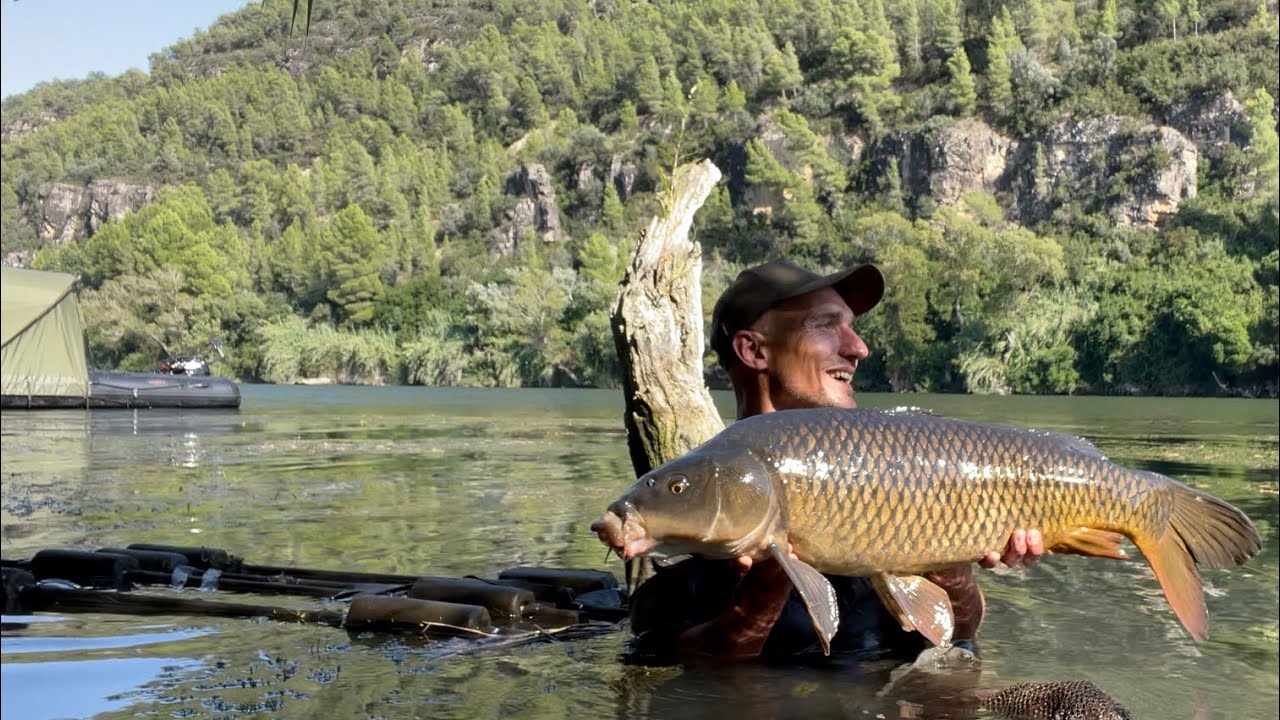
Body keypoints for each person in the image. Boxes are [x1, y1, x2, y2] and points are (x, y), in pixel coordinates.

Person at [625, 259, 1044, 664]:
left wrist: (948, 555)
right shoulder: (684, 507)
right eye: (825, 325)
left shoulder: (886, 478)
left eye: (852, 327)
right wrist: (766, 585)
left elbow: (959, 633)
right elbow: (683, 668)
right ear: (753, 350)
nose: (858, 347)